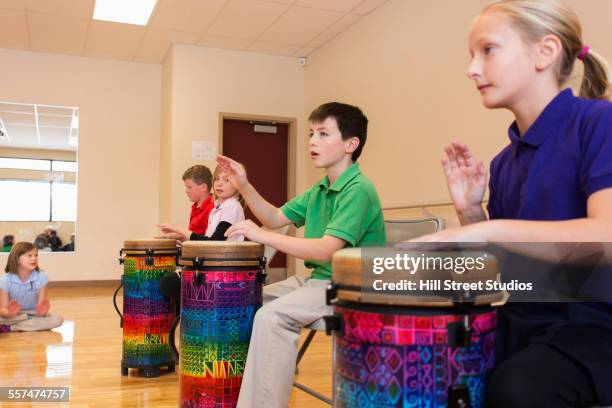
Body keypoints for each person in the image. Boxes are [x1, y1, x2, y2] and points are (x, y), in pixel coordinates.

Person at [409, 1, 612, 406]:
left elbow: (605, 235)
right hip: (522, 323)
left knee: (517, 389)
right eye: (471, 55)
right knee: (425, 369)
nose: (472, 68)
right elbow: (505, 271)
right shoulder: (504, 162)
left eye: (488, 50)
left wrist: (482, 228)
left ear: (545, 52)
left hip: (593, 330)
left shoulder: (598, 122)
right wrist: (471, 211)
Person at [217, 102, 386, 407]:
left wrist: (263, 235)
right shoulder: (319, 189)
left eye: (323, 133)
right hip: (320, 282)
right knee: (242, 300)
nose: (312, 141)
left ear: (351, 144)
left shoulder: (359, 190)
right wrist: (244, 184)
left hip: (354, 289)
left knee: (272, 317)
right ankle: (241, 391)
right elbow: (274, 217)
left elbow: (325, 249)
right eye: (311, 133)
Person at [156, 165, 247, 311]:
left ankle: (197, 315)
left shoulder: (232, 206)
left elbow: (215, 243)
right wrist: (183, 238)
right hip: (213, 264)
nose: (219, 183)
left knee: (169, 282)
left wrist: (181, 231)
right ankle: (193, 316)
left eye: (226, 180)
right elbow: (208, 240)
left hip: (222, 268)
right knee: (169, 281)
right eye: (217, 179)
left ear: (238, 184)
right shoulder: (219, 207)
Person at [0, 242, 63, 332]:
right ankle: (24, 323)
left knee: (58, 319)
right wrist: (10, 313)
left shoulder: (42, 277)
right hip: (12, 316)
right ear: (17, 259)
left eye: (36, 255)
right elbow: (2, 309)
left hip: (32, 314)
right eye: (29, 255)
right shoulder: (5, 280)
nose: (34, 258)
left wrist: (42, 312)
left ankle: (11, 327)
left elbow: (40, 308)